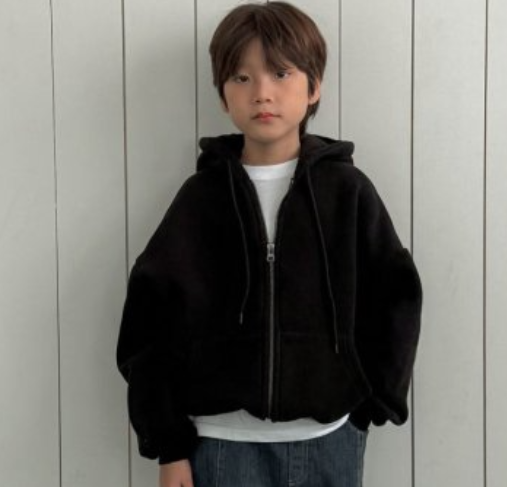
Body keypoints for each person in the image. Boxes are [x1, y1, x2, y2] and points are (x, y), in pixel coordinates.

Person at [116, 2, 423, 486]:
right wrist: (168, 446)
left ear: (314, 86)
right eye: (241, 78)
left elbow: (395, 296)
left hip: (327, 441)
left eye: (281, 73)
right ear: (223, 95)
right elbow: (150, 324)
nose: (262, 92)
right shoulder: (200, 200)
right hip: (220, 446)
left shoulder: (347, 193)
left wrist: (374, 402)